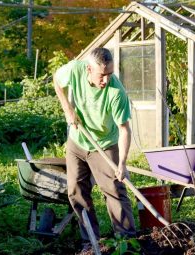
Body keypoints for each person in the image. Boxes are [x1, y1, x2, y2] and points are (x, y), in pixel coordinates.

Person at [54, 48, 136, 250]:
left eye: (110, 74)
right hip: (77, 142)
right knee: (76, 190)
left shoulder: (117, 92)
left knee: (114, 190)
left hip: (105, 144)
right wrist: (68, 109)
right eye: (102, 75)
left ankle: (127, 241)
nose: (106, 80)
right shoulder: (74, 70)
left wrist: (122, 163)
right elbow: (57, 80)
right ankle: (90, 241)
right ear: (88, 69)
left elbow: (124, 130)